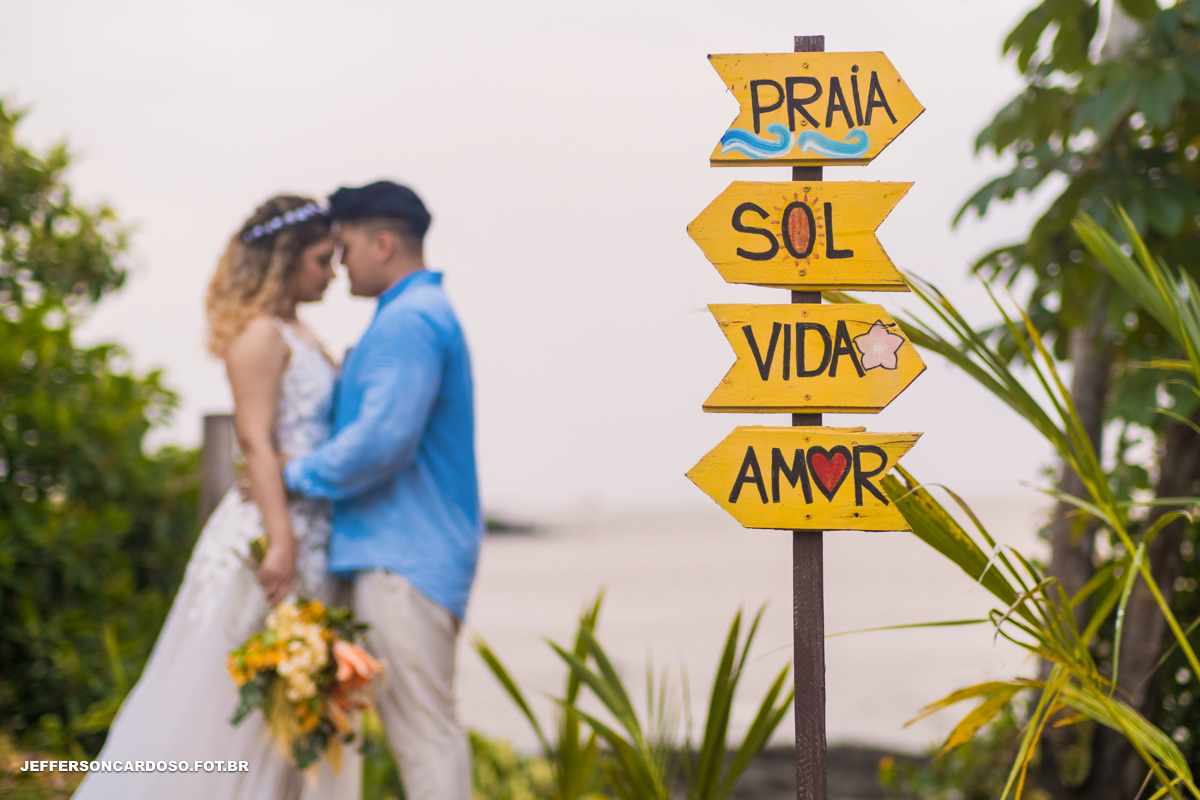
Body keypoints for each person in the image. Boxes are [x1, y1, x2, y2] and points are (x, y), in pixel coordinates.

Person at [73, 195, 361, 800]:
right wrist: (280, 541)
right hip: (269, 533)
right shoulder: (257, 335)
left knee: (293, 694)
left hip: (315, 529)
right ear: (283, 260)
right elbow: (254, 440)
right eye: (319, 260)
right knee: (231, 689)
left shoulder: (302, 332)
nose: (331, 273)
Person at [282, 180, 481, 800]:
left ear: (384, 243)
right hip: (403, 554)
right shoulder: (413, 315)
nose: (339, 264)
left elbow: (381, 442)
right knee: (420, 734)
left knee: (423, 740)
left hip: (403, 560)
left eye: (345, 249)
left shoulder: (410, 320)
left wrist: (293, 473)